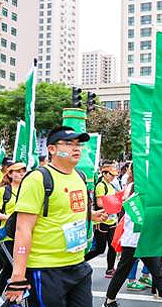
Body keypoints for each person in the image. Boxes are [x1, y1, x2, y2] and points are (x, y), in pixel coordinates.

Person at [5, 126, 108, 306]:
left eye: (78, 144)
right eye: (68, 143)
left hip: (78, 265)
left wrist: (92, 215)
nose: (76, 148)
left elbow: (67, 211)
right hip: (46, 269)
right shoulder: (38, 179)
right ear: (52, 149)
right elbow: (23, 229)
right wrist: (17, 277)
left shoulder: (80, 177)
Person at [103, 163, 162, 307]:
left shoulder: (148, 188)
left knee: (157, 270)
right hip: (132, 239)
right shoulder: (132, 187)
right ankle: (109, 300)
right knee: (122, 272)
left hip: (145, 239)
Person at [85, 164, 119, 278]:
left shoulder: (111, 185)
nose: (113, 177)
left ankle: (110, 269)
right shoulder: (101, 185)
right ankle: (81, 262)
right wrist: (112, 203)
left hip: (112, 219)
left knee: (113, 246)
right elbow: (99, 203)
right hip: (102, 220)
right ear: (104, 174)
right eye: (111, 175)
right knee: (100, 249)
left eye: (114, 175)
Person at [0, 162, 26, 294]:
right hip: (6, 236)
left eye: (23, 171)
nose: (21, 174)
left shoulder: (27, 191)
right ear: (10, 174)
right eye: (17, 171)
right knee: (12, 267)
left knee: (9, 268)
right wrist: (10, 218)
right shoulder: (3, 191)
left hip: (22, 236)